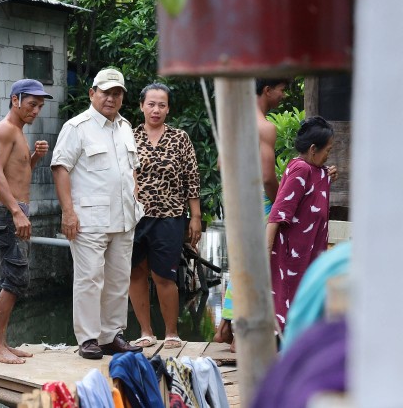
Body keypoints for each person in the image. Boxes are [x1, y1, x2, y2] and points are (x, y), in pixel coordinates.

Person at [51, 68, 144, 359]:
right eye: (106, 92)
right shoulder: (77, 127)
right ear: (93, 93)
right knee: (90, 278)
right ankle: (88, 339)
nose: (111, 98)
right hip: (89, 218)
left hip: (124, 217)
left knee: (118, 279)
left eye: (117, 93)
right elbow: (60, 168)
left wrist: (135, 193)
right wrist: (68, 212)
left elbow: (132, 169)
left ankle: (111, 335)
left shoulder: (126, 126)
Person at [214, 78, 289, 351]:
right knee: (259, 264)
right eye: (282, 89)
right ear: (267, 90)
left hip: (236, 200)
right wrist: (283, 201)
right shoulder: (264, 127)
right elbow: (268, 176)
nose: (283, 95)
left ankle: (227, 326)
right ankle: (242, 332)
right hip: (259, 200)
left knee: (242, 263)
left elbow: (223, 164)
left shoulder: (234, 122)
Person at [0, 79, 52, 364]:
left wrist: (35, 156)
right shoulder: (4, 130)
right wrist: (16, 211)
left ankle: (0, 341)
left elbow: (19, 173)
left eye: (39, 106)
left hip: (15, 212)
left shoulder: (18, 132)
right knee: (15, 277)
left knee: (11, 278)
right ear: (15, 100)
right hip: (7, 214)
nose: (36, 111)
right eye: (31, 104)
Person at [128, 83, 201, 350]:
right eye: (151, 104)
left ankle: (171, 333)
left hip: (170, 216)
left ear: (168, 108)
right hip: (135, 217)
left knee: (164, 276)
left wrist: (195, 217)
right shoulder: (129, 136)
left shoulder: (180, 138)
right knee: (135, 274)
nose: (156, 109)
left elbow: (192, 179)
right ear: (141, 106)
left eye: (161, 105)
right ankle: (146, 332)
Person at [267, 116, 335, 331]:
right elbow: (278, 214)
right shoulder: (301, 170)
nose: (328, 155)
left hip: (311, 255)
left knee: (308, 307)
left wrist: (328, 175)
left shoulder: (318, 171)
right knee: (291, 308)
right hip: (293, 257)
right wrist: (265, 252)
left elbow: (314, 195)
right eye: (327, 150)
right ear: (313, 149)